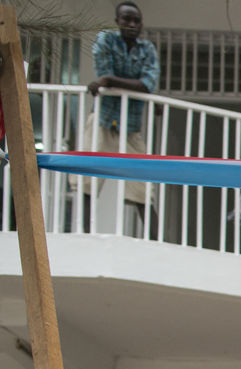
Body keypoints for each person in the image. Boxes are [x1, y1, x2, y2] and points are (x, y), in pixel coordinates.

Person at [81, 2, 160, 222]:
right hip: (103, 119)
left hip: (130, 126)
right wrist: (109, 79)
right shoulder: (106, 39)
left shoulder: (147, 49)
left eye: (136, 21)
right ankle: (83, 233)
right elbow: (103, 70)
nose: (132, 24)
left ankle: (154, 238)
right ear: (117, 21)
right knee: (88, 181)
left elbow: (147, 83)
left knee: (143, 187)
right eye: (127, 19)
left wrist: (108, 80)